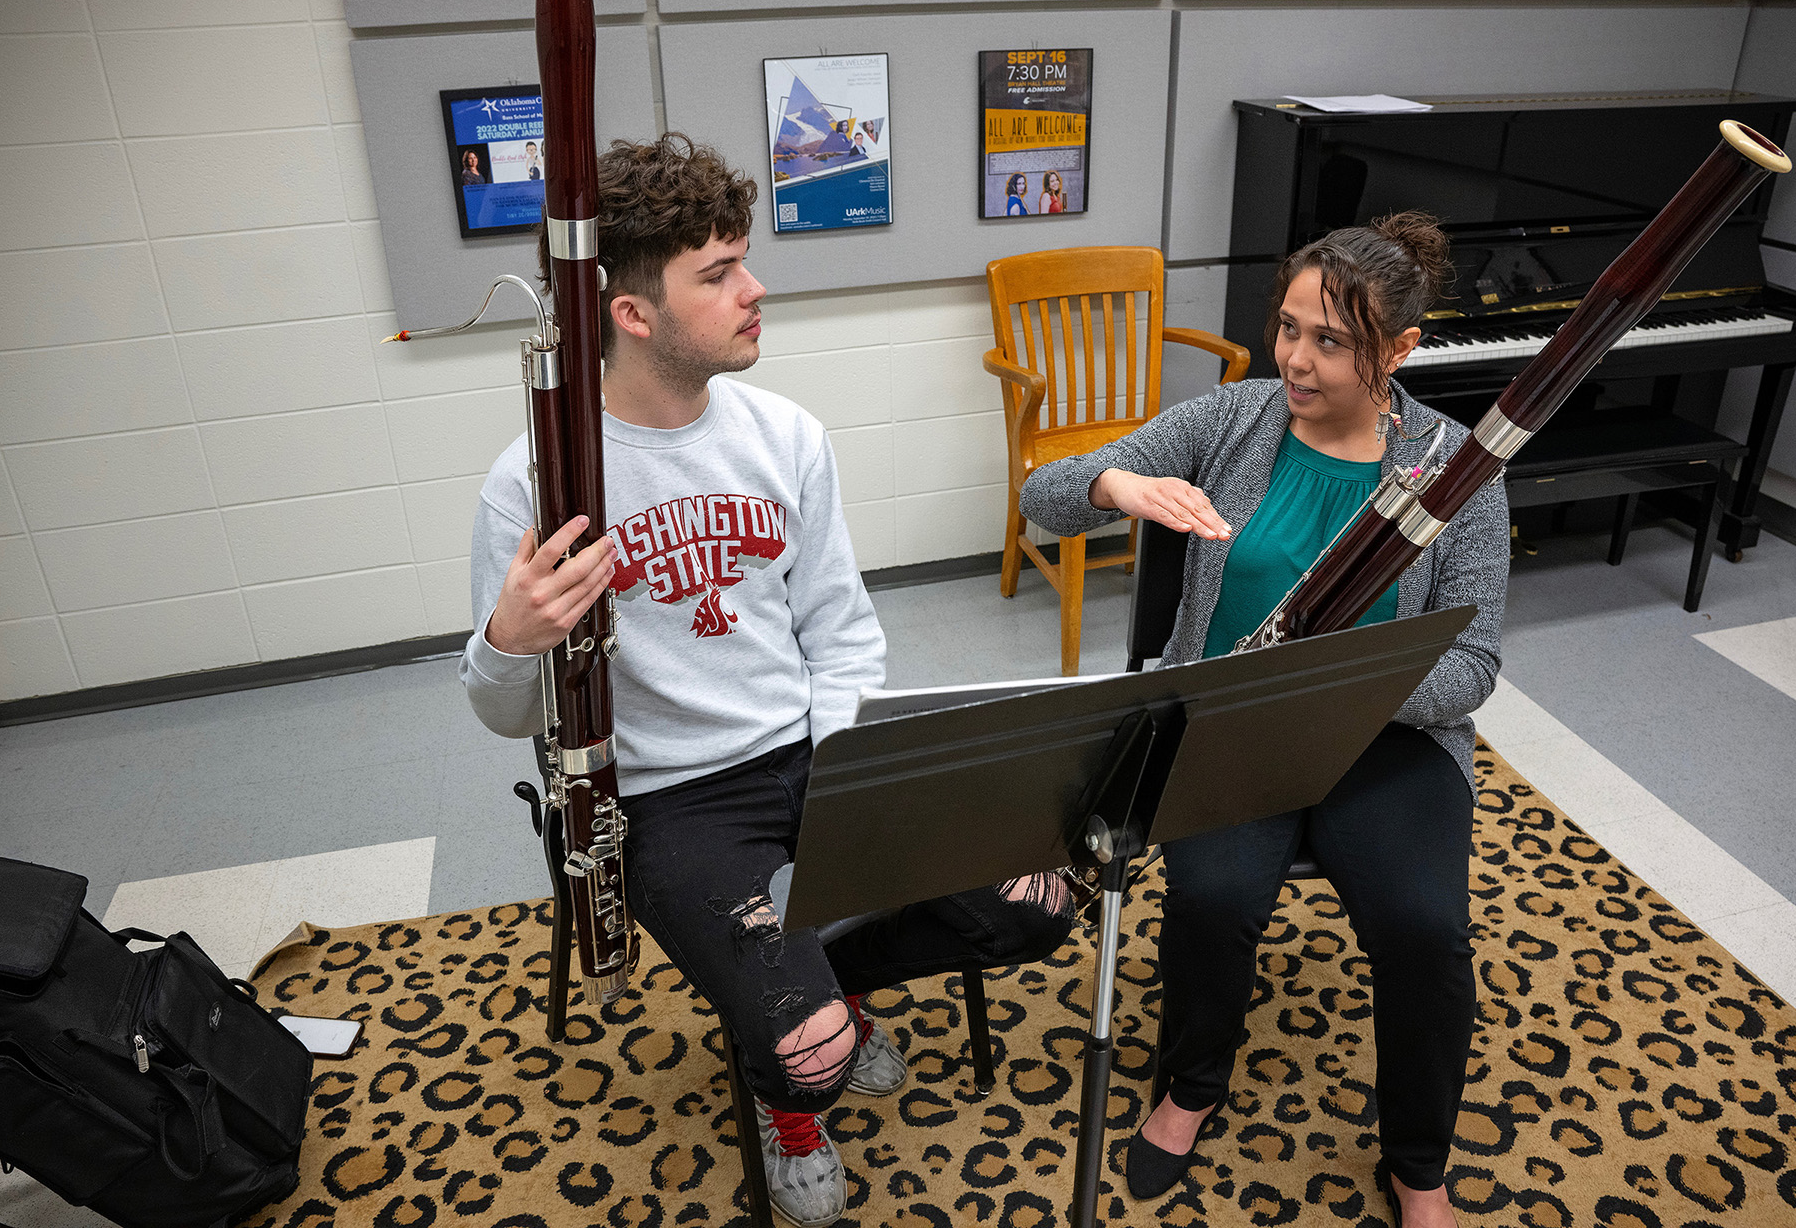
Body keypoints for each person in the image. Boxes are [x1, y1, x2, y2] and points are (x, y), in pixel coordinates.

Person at [460, 133, 1074, 1228]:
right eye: (719, 273)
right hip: (669, 799)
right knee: (810, 1054)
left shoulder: (786, 435)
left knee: (1038, 899)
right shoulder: (532, 482)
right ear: (635, 313)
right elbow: (507, 716)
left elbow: (841, 630)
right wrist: (510, 637)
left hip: (812, 749)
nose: (754, 291)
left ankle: (817, 978)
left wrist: (848, 769)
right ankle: (801, 1056)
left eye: (745, 260)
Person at [1020, 211, 1504, 1228]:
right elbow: (1044, 496)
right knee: (1210, 896)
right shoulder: (1231, 418)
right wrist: (1117, 481)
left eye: (1331, 341)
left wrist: (1338, 684)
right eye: (1289, 327)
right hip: (1229, 726)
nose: (1295, 357)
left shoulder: (1460, 469)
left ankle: (1420, 1161)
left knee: (1425, 928)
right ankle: (1191, 1083)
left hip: (1389, 740)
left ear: (1400, 350)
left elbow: (1470, 669)